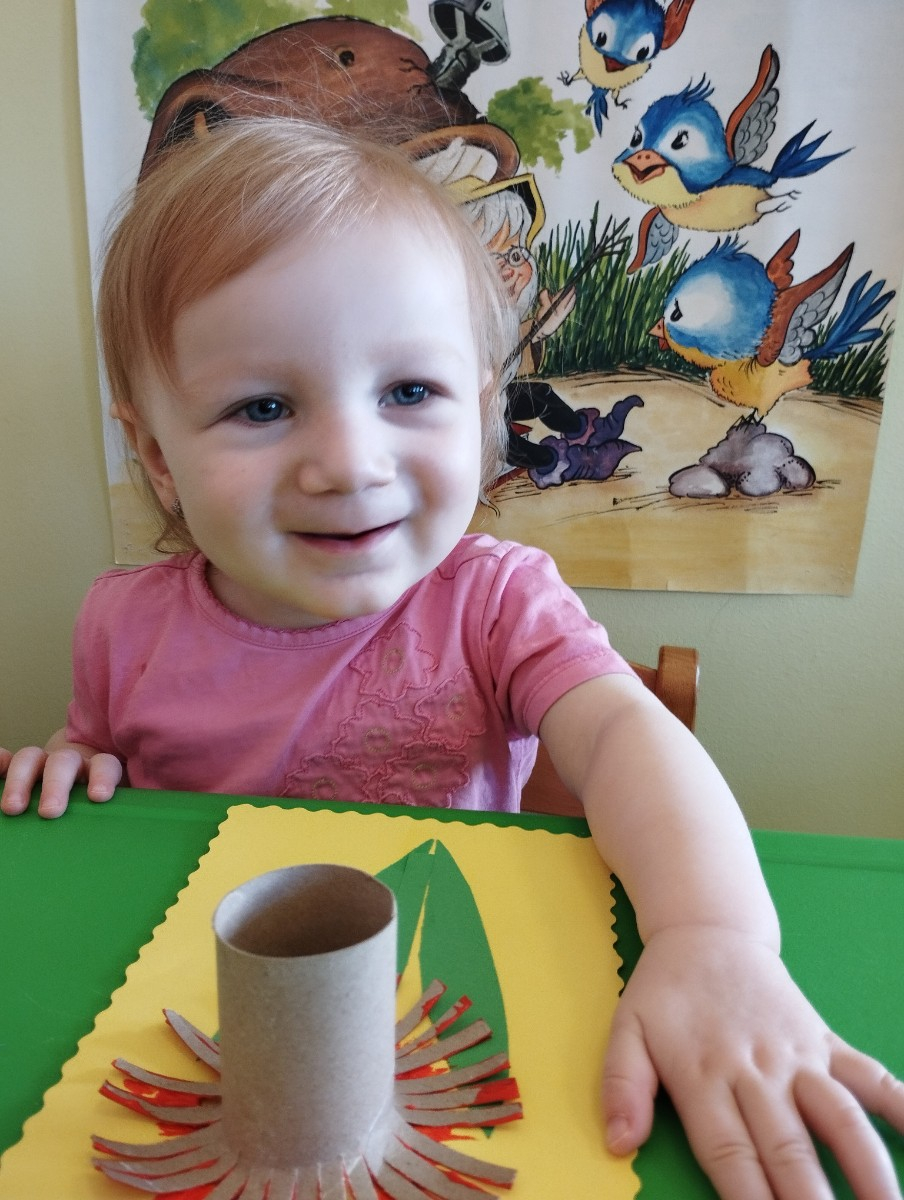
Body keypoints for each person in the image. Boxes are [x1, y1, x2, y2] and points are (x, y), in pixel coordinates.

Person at [2, 118, 903, 1199]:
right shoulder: (120, 624)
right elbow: (106, 791)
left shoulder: (495, 602)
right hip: (196, 1033)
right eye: (263, 407)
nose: (349, 463)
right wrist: (73, 764)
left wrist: (713, 936)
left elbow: (624, 735)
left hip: (454, 1024)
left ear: (481, 411)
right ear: (158, 457)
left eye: (408, 392)